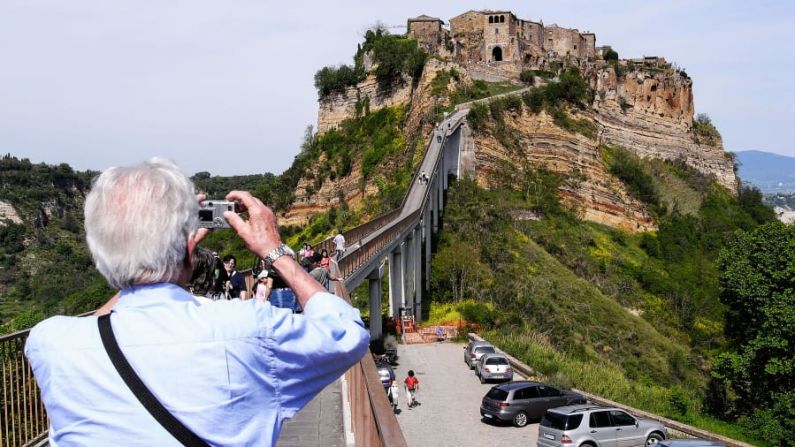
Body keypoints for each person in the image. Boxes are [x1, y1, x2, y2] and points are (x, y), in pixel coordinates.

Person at [24, 158, 369, 446]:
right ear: (191, 249)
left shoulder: (49, 346)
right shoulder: (246, 329)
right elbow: (346, 332)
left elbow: (100, 322)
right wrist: (274, 250)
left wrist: (136, 264)